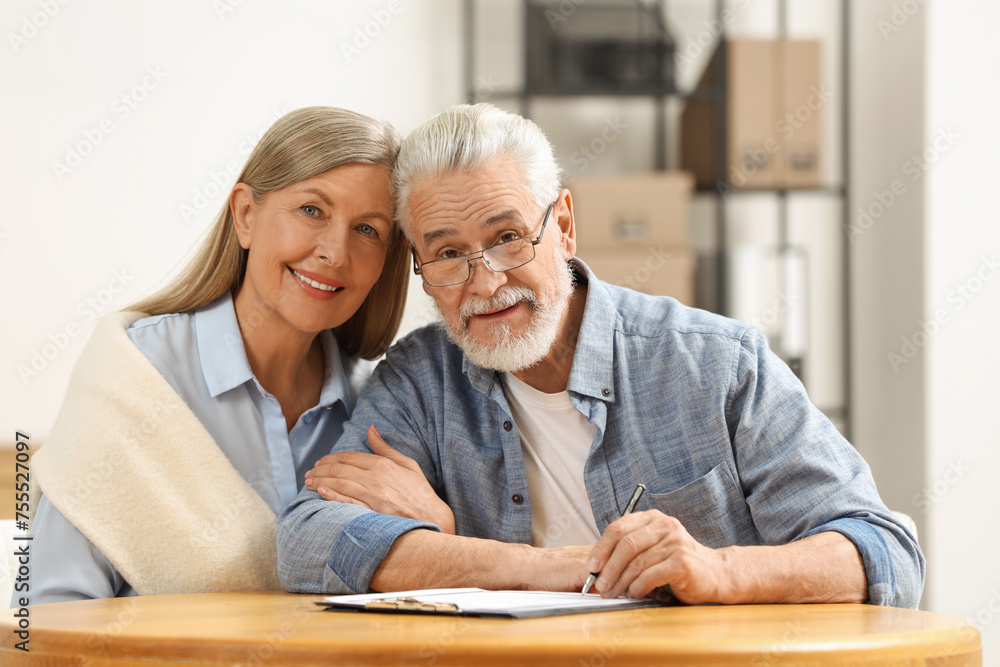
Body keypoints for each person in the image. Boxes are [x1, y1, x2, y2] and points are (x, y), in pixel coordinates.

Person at [276, 103, 924, 608]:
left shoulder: (717, 363)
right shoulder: (420, 380)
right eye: (447, 254)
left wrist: (717, 569)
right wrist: (539, 565)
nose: (485, 281)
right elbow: (306, 542)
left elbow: (884, 553)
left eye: (507, 237)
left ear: (562, 224)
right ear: (419, 266)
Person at [22, 106, 410, 604]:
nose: (335, 252)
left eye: (368, 230)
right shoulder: (136, 374)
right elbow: (48, 617)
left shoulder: (378, 406)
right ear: (246, 216)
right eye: (312, 210)